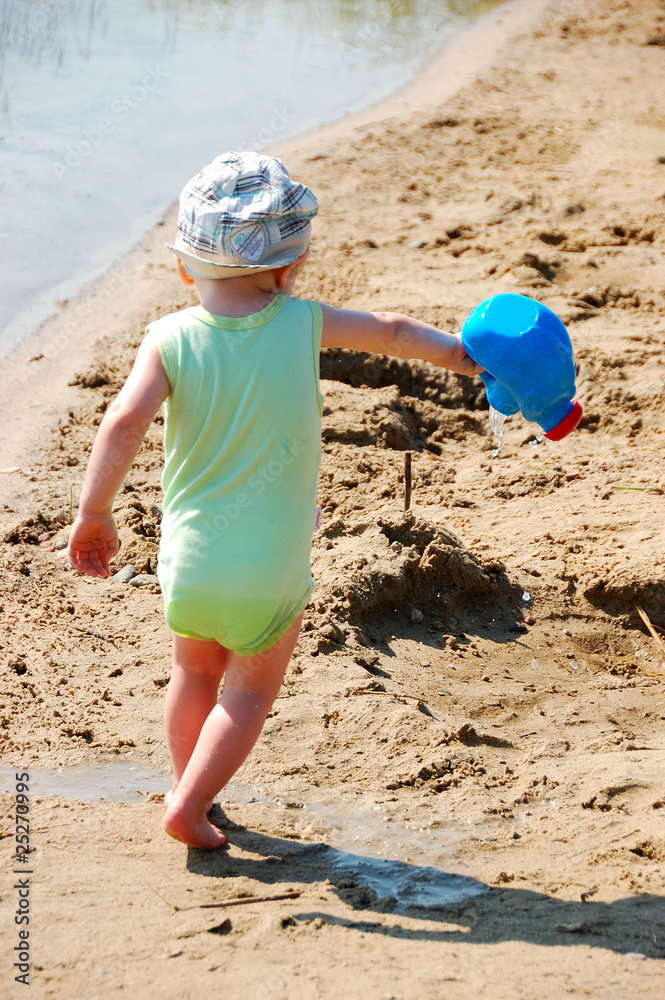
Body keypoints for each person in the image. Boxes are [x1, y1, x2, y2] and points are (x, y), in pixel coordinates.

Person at [67, 151, 482, 849]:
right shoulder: (303, 322)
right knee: (249, 692)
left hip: (189, 562)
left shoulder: (167, 338)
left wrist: (94, 513)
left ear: (185, 267)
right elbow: (390, 330)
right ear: (290, 268)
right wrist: (463, 356)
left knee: (192, 671)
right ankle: (191, 805)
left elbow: (124, 422)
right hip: (269, 569)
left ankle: (185, 784)